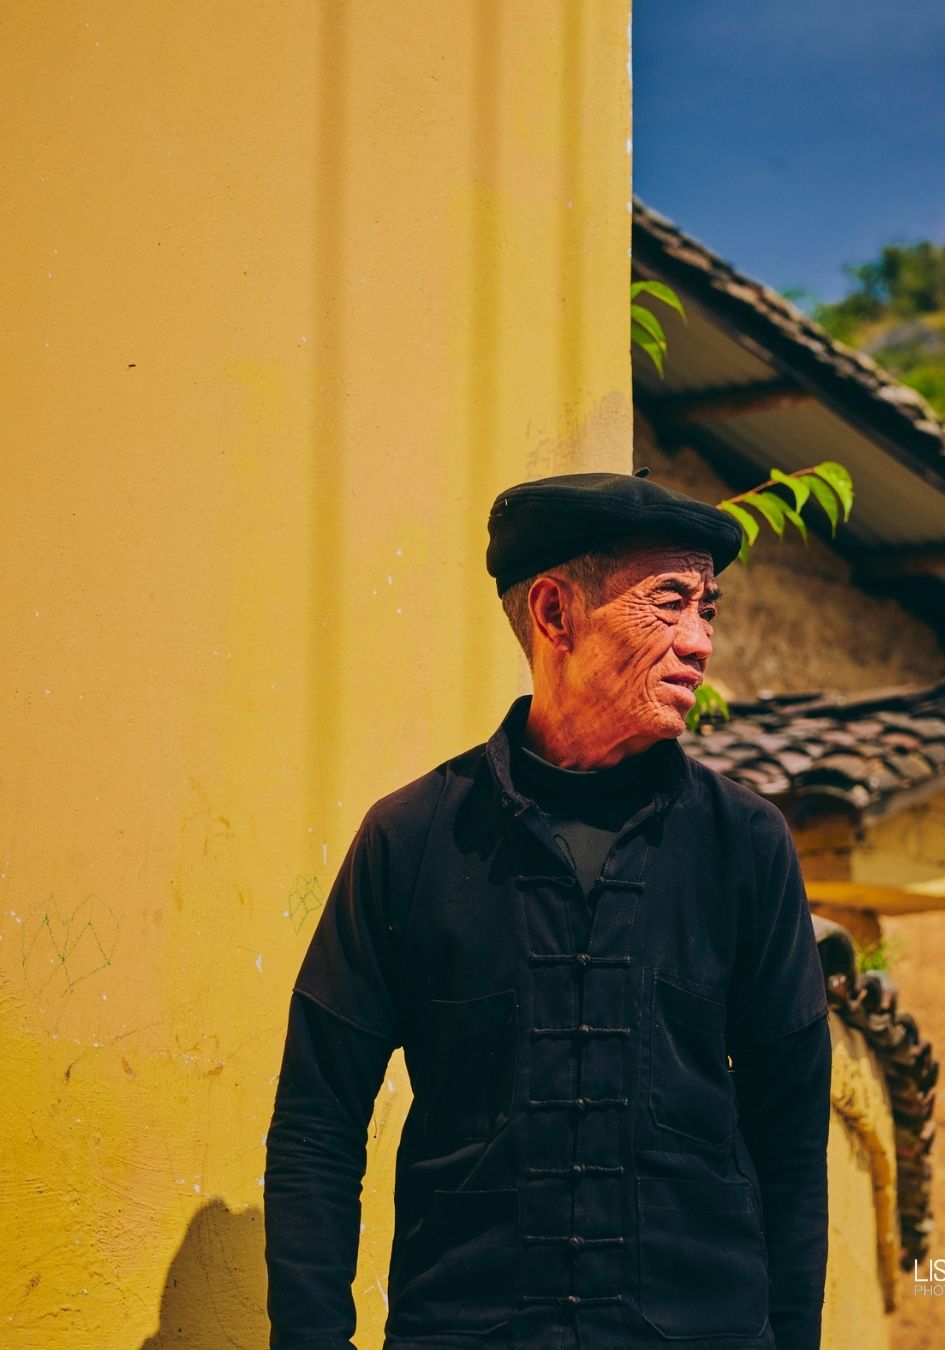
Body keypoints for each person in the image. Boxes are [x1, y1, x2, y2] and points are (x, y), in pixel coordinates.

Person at [264, 468, 832, 1350]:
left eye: (706, 610)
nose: (700, 643)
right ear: (556, 614)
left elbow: (791, 1137)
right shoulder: (412, 841)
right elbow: (317, 1122)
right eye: (669, 603)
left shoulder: (746, 847)